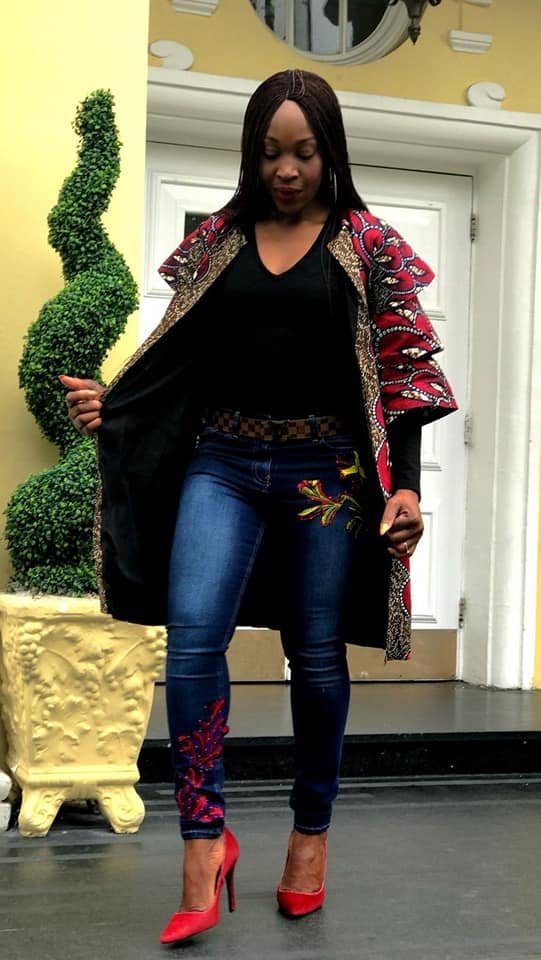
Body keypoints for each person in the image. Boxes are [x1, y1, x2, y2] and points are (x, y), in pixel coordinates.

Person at [60, 69, 456, 944]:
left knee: (313, 657)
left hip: (325, 477)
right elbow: (174, 358)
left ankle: (309, 836)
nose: (286, 169)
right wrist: (114, 408)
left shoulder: (367, 244)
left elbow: (403, 376)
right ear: (251, 151)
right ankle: (203, 843)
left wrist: (404, 487)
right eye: (271, 152)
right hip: (224, 462)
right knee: (193, 642)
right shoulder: (218, 241)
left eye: (304, 152)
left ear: (330, 152)